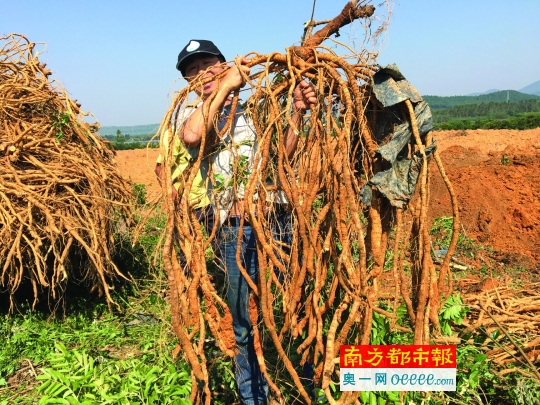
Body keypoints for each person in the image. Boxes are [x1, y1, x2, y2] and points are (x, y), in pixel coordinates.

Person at [176, 39, 316, 405]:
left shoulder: (254, 108)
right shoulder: (189, 113)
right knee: (243, 321)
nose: (202, 72)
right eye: (193, 69)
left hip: (280, 218)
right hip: (236, 231)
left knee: (300, 304)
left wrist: (297, 112)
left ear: (224, 63)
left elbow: (277, 159)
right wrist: (225, 87)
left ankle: (309, 387)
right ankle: (254, 398)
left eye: (209, 63)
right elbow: (193, 136)